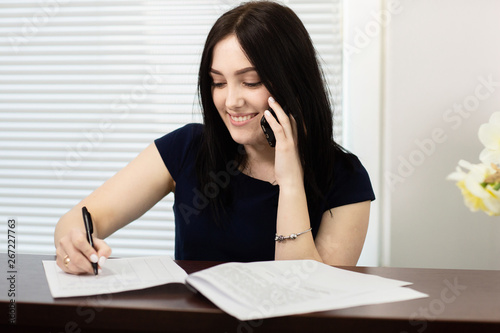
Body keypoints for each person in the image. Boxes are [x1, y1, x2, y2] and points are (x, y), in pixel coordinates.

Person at [54, 0, 375, 275]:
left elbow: (306, 296)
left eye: (250, 82)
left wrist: (290, 180)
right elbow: (78, 220)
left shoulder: (345, 178)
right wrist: (75, 242)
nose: (231, 101)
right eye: (218, 83)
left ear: (293, 84)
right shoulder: (187, 148)